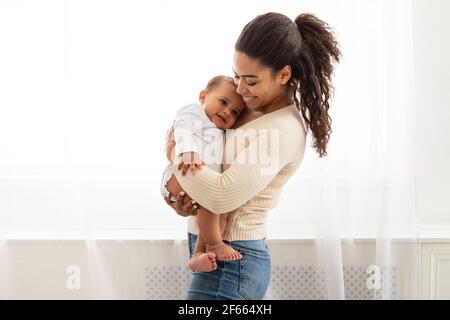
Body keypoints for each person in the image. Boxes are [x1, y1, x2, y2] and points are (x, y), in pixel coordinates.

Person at [164, 12, 341, 300]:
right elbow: (212, 166)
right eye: (236, 76)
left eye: (251, 80)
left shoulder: (282, 129)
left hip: (235, 258)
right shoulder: (246, 108)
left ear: (283, 75)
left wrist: (175, 153)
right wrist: (188, 206)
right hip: (211, 251)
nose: (240, 88)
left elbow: (221, 195)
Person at [161, 75, 247, 272]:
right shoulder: (194, 113)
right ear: (203, 96)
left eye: (234, 112)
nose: (227, 112)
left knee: (222, 212)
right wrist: (186, 150)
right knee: (213, 202)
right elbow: (181, 127)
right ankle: (215, 244)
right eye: (223, 102)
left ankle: (200, 252)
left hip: (200, 186)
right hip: (178, 176)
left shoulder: (222, 131)